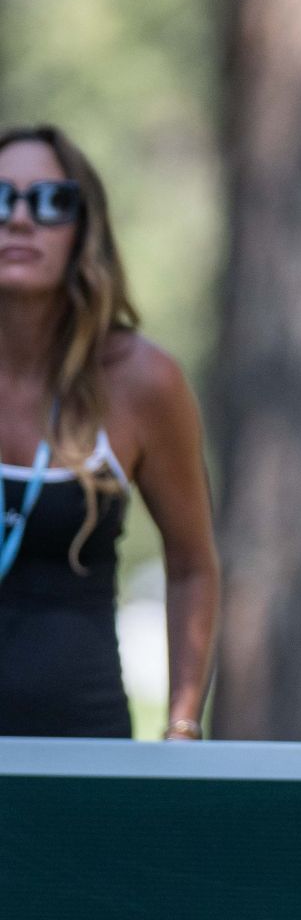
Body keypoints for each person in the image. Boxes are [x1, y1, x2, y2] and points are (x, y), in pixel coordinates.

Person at [0, 124, 219, 739]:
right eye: (0, 199)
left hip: (81, 751)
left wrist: (182, 726)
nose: (19, 219)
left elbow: (192, 564)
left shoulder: (142, 381)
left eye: (49, 201)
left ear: (83, 230)